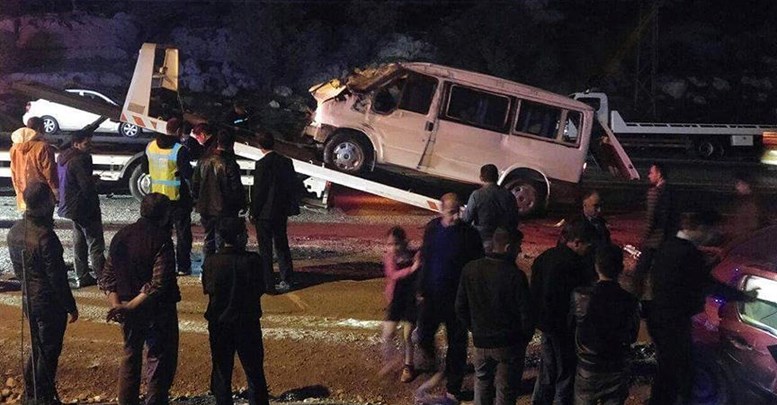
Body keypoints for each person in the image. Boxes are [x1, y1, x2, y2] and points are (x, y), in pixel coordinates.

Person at [101, 193, 181, 405]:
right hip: (156, 310)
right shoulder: (160, 240)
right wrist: (132, 306)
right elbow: (159, 283)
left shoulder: (122, 235)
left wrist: (117, 304)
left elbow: (107, 276)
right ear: (164, 216)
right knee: (159, 357)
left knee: (130, 355)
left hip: (126, 304)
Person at [7, 181, 78, 405]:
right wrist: (70, 306)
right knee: (47, 351)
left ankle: (32, 394)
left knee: (38, 347)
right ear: (44, 203)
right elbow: (57, 278)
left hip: (29, 298)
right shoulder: (46, 237)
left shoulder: (15, 231)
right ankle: (42, 397)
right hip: (48, 303)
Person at [416, 192, 484, 403]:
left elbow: (477, 263)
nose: (456, 216)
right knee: (423, 334)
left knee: (457, 343)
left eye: (458, 211)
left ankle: (453, 387)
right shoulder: (432, 229)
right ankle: (435, 365)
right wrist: (421, 286)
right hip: (434, 295)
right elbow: (426, 258)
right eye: (451, 212)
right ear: (441, 209)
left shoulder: (469, 234)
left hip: (457, 298)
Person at [456, 228, 534, 405]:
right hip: (508, 343)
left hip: (481, 341)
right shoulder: (515, 275)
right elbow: (526, 313)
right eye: (518, 247)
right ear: (507, 248)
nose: (520, 251)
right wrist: (524, 338)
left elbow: (460, 307)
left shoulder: (470, 269)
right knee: (505, 389)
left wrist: (474, 328)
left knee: (482, 382)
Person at [202, 218, 270, 405]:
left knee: (222, 372)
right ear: (240, 236)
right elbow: (260, 288)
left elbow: (208, 288)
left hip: (220, 323)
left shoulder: (211, 262)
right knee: (254, 371)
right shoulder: (253, 261)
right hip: (247, 323)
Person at [644, 212, 709, 405]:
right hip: (675, 323)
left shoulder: (667, 245)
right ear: (699, 229)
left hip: (658, 319)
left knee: (665, 373)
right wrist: (742, 296)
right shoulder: (690, 253)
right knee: (681, 375)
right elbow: (707, 282)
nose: (709, 236)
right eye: (708, 230)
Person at [530, 220, 594, 405]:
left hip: (544, 324)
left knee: (547, 368)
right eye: (586, 245)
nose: (588, 251)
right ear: (576, 242)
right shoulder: (574, 265)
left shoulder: (545, 257)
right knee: (565, 373)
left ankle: (539, 401)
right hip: (562, 327)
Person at [571, 244, 639, 405]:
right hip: (615, 366)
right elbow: (632, 335)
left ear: (596, 266)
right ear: (621, 268)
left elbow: (573, 326)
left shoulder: (580, 296)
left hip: (588, 366)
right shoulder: (629, 300)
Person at [250, 132, 301, 294]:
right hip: (280, 211)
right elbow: (292, 186)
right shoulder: (286, 162)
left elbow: (259, 191)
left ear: (260, 146)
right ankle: (287, 277)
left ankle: (268, 282)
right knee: (281, 245)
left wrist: (253, 211)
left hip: (264, 213)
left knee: (265, 249)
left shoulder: (261, 165)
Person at [145, 117, 194, 275]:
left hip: (157, 198)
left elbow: (145, 168)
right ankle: (183, 267)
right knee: (182, 234)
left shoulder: (151, 146)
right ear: (179, 131)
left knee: (160, 234)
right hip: (177, 199)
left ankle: (162, 265)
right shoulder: (179, 150)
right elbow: (187, 173)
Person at [57, 130, 105, 289]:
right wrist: (95, 182)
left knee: (79, 242)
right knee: (95, 243)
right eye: (86, 143)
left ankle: (82, 275)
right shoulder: (80, 159)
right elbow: (85, 187)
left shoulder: (63, 158)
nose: (89, 146)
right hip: (84, 206)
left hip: (70, 206)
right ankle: (102, 277)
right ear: (76, 144)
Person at [192, 130, 246, 258]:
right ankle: (220, 269)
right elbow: (236, 187)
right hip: (225, 208)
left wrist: (197, 199)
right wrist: (242, 204)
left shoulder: (203, 160)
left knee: (208, 239)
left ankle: (206, 270)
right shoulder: (229, 163)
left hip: (205, 208)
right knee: (222, 240)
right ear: (231, 144)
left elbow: (195, 183)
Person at [379, 226, 421, 383]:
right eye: (389, 244)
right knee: (387, 334)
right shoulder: (390, 258)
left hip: (410, 301)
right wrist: (412, 269)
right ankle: (394, 360)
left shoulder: (413, 255)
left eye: (395, 244)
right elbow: (393, 274)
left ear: (403, 243)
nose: (392, 248)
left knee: (407, 336)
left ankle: (408, 366)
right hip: (396, 301)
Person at [633, 162, 675, 298]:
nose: (649, 175)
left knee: (639, 272)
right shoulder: (670, 192)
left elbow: (651, 219)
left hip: (653, 241)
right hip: (667, 240)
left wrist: (644, 237)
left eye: (651, 172)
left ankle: (637, 298)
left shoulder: (654, 193)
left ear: (659, 174)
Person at [462, 164, 519, 253]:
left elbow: (467, 219)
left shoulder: (477, 195)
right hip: (502, 239)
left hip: (482, 238)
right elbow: (514, 219)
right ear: (497, 177)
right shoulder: (508, 195)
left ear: (481, 177)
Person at [10, 117, 59, 211]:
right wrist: (55, 191)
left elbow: (13, 172)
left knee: (28, 220)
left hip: (23, 191)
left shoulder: (14, 148)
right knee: (43, 221)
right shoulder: (43, 147)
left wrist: (18, 190)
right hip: (41, 192)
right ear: (40, 128)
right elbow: (49, 172)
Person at [725, 171, 768, 242]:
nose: (737, 188)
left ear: (746, 185)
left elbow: (751, 226)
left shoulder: (750, 204)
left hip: (744, 241)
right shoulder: (746, 202)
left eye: (739, 184)